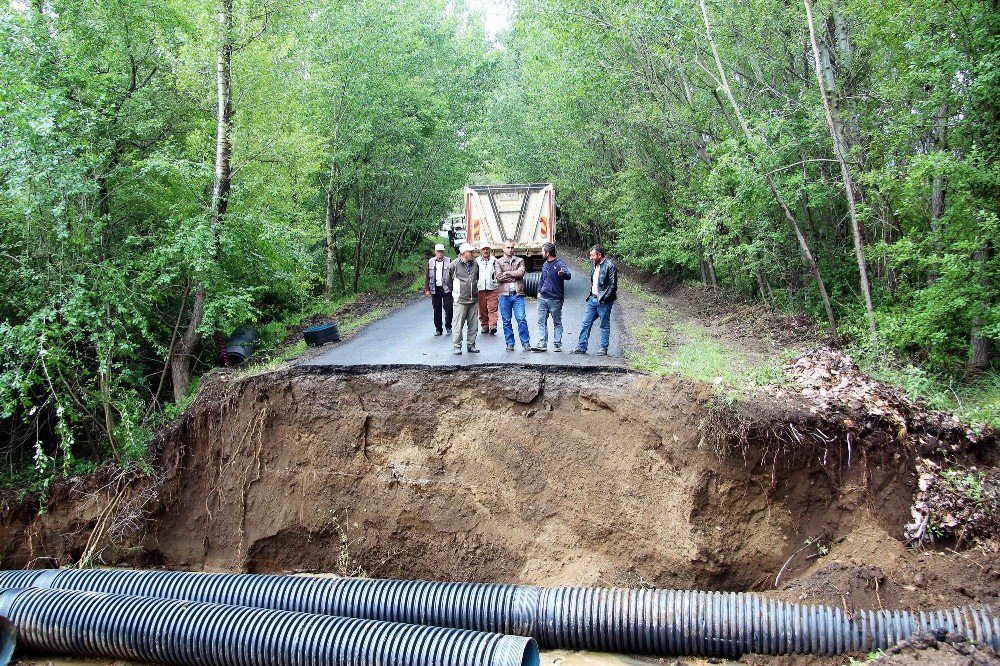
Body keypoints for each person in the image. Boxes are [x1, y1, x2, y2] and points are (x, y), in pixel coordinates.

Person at [572, 244, 617, 356]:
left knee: (604, 324)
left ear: (599, 255)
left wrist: (604, 299)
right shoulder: (594, 265)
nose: (590, 257)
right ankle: (581, 347)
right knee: (586, 323)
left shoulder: (610, 266)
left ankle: (603, 348)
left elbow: (613, 286)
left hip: (604, 301)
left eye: (592, 255)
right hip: (592, 299)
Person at [532, 243, 571, 352]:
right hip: (543, 298)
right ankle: (542, 343)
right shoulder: (545, 265)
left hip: (555, 299)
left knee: (557, 322)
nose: (541, 253)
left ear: (547, 253)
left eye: (542, 251)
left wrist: (562, 274)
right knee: (541, 321)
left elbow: (568, 276)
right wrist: (539, 291)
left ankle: (557, 344)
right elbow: (542, 279)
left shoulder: (560, 264)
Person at [496, 240, 531, 352]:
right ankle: (510, 343)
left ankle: (525, 343)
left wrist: (507, 273)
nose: (510, 250)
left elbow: (521, 273)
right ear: (503, 248)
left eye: (512, 247)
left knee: (521, 319)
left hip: (517, 294)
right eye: (508, 247)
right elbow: (499, 277)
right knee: (506, 320)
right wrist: (514, 275)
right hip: (504, 295)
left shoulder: (520, 260)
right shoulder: (498, 262)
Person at [447, 243, 480, 354]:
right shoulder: (454, 265)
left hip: (473, 299)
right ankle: (457, 346)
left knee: (473, 325)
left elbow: (476, 277)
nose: (472, 254)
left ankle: (471, 345)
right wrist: (457, 293)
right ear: (462, 253)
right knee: (458, 324)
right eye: (469, 252)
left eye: (472, 252)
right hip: (460, 300)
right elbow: (448, 281)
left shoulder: (475, 263)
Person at [424, 243, 453, 336]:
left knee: (449, 308)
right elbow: (427, 276)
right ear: (435, 252)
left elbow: (453, 275)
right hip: (435, 288)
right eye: (438, 251)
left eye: (441, 251)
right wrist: (427, 289)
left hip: (447, 288)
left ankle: (448, 326)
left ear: (444, 252)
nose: (440, 253)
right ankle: (438, 329)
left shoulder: (449, 261)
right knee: (437, 309)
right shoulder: (431, 261)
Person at [475, 242, 500, 335]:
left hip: (492, 288)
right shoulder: (476, 261)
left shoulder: (494, 260)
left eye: (487, 249)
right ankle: (485, 326)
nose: (485, 251)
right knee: (482, 309)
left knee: (492, 308)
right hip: (480, 288)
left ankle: (493, 326)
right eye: (483, 249)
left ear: (490, 250)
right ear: (480, 251)